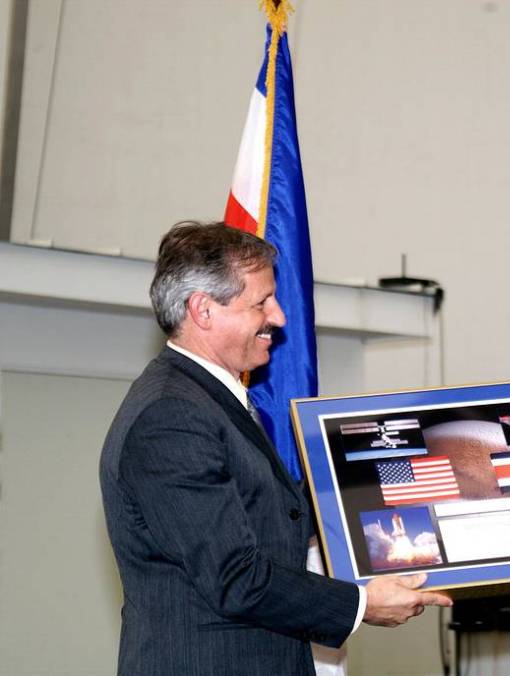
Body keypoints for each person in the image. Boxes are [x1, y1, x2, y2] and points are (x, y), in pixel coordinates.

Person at [100, 222, 452, 676]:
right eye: (262, 301)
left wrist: (378, 463)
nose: (280, 317)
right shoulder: (172, 416)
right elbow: (235, 577)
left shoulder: (209, 400)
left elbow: (275, 518)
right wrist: (361, 603)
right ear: (203, 310)